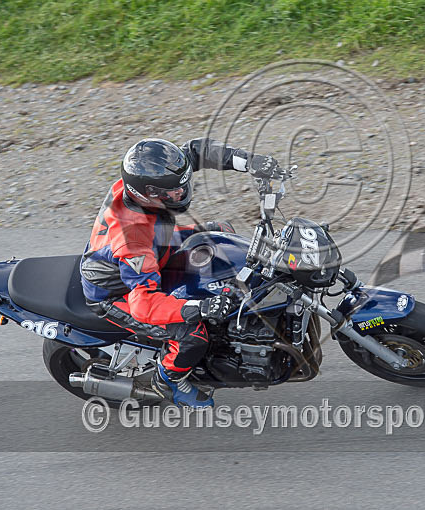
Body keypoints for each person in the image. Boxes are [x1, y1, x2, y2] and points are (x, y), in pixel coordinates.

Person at [80, 138, 281, 407]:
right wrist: (201, 307)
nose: (182, 192)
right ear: (148, 193)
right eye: (174, 192)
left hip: (156, 242)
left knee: (221, 232)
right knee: (193, 335)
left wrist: (249, 162)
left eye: (182, 186)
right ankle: (168, 382)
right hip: (119, 292)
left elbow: (196, 152)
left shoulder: (149, 182)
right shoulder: (133, 240)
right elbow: (144, 305)